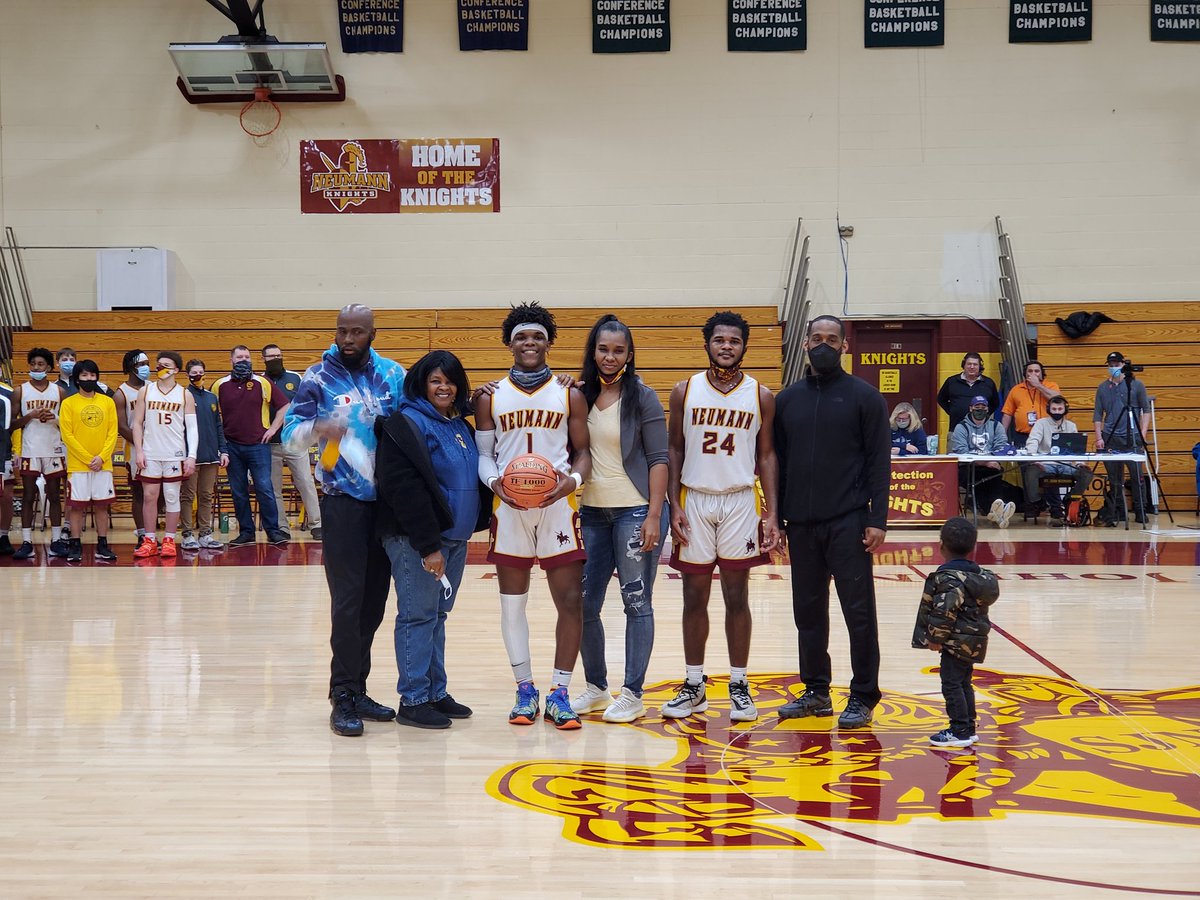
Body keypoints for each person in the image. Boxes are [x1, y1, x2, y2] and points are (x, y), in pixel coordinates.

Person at [282, 304, 406, 737]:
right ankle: (342, 695)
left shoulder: (394, 375)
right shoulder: (316, 377)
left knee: (374, 605)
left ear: (373, 333)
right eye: (342, 332)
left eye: (357, 332)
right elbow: (288, 433)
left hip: (387, 504)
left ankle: (360, 686)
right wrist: (320, 428)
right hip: (342, 502)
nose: (348, 339)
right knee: (347, 603)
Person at [474, 301, 592, 731]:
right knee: (512, 606)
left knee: (570, 601)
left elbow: (583, 454)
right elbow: (484, 456)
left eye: (538, 337)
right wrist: (495, 485)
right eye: (522, 336)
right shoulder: (488, 397)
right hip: (509, 509)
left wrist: (570, 484)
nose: (529, 343)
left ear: (549, 343)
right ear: (509, 343)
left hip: (559, 506)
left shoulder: (569, 392)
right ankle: (525, 688)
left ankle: (560, 693)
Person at [663, 310, 780, 724]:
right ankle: (694, 685)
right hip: (694, 498)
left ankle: (739, 683)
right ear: (707, 343)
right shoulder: (685, 390)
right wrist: (672, 504)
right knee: (694, 597)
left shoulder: (761, 395)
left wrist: (772, 513)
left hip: (739, 502)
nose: (726, 346)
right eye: (719, 340)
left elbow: (766, 455)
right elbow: (673, 449)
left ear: (744, 346)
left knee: (737, 596)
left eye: (733, 340)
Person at [773, 315, 888, 729]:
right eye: (816, 338)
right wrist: (777, 518)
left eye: (832, 339)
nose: (824, 345)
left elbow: (879, 463)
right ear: (804, 344)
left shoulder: (866, 398)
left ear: (844, 346)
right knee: (808, 611)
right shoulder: (787, 400)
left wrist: (877, 519)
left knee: (858, 613)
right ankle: (817, 691)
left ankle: (863, 695)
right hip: (801, 524)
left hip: (849, 522)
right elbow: (778, 463)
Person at [376, 351, 489, 729]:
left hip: (454, 540)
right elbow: (403, 490)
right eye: (436, 380)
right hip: (419, 541)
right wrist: (428, 546)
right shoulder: (404, 424)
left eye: (451, 380)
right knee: (417, 617)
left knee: (437, 617)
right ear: (421, 384)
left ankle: (435, 692)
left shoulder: (458, 426)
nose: (444, 387)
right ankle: (413, 699)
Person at [569, 315, 669, 724]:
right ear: (593, 351)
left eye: (619, 350)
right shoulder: (576, 394)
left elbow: (660, 459)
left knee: (635, 602)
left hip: (634, 510)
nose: (610, 357)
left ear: (629, 354)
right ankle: (596, 687)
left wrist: (653, 516)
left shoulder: (642, 396)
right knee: (582, 604)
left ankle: (633, 693)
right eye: (603, 349)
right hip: (591, 511)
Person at [911, 516, 999, 747]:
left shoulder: (949, 579)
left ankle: (959, 729)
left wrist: (935, 638)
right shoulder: (978, 576)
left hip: (954, 642)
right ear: (973, 547)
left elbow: (944, 611)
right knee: (963, 682)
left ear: (941, 545)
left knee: (951, 683)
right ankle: (968, 726)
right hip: (973, 640)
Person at [212, 345, 290, 547]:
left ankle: (273, 531)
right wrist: (220, 445)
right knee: (238, 491)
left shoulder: (262, 382)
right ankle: (246, 532)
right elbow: (212, 415)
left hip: (259, 445)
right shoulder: (219, 385)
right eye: (239, 357)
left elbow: (285, 405)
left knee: (265, 488)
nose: (244, 360)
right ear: (231, 360)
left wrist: (273, 429)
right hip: (232, 447)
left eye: (247, 356)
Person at [131, 352, 197, 559]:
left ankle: (169, 539)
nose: (160, 368)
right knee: (150, 496)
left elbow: (192, 428)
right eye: (158, 365)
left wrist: (191, 455)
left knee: (171, 496)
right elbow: (137, 424)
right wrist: (139, 451)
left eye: (166, 365)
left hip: (174, 453)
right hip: (150, 453)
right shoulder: (145, 391)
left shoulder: (184, 393)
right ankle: (150, 540)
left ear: (176, 370)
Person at [10, 347, 69, 560]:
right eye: (33, 364)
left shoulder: (59, 392)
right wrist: (30, 416)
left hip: (53, 448)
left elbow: (68, 424)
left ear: (49, 368)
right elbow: (11, 424)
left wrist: (54, 417)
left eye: (41, 364)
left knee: (54, 495)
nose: (36, 367)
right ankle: (26, 541)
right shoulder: (20, 391)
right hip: (30, 449)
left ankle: (56, 540)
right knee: (28, 495)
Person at [58, 360, 119, 563]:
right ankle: (75, 545)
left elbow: (113, 432)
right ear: (77, 378)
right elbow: (67, 435)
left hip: (103, 465)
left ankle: (102, 545)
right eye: (85, 376)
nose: (89, 379)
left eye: (92, 375)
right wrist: (87, 459)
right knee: (77, 507)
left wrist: (101, 457)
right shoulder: (68, 403)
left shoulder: (107, 402)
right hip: (78, 466)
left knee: (102, 506)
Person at [262, 344, 323, 540]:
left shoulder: (295, 377)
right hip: (270, 443)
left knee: (306, 482)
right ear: (263, 359)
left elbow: (307, 403)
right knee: (274, 487)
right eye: (271, 356)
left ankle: (317, 524)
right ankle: (282, 527)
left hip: (295, 441)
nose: (276, 359)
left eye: (279, 355)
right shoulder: (259, 381)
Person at [1093, 351, 1151, 526]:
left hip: (1132, 437)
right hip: (1110, 437)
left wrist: (1143, 432)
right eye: (1110, 365)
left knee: (1136, 475)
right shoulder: (1102, 388)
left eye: (1116, 364)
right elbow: (1097, 415)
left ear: (1123, 365)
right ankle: (1119, 511)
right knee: (1114, 478)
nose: (1113, 368)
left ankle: (1141, 510)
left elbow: (1145, 410)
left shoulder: (1136, 385)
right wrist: (1098, 437)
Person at [179, 359, 229, 551]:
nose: (198, 376)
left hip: (211, 456)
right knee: (188, 496)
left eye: (201, 372)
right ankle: (187, 534)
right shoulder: (183, 396)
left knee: (207, 495)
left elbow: (218, 425)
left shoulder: (211, 398)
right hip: (190, 456)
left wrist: (223, 450)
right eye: (194, 373)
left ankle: (206, 534)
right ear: (187, 375)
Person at [1021, 395, 1091, 526]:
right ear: (1049, 409)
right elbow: (1033, 441)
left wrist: (1080, 463)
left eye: (1060, 409)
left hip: (1067, 465)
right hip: (1046, 464)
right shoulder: (1040, 423)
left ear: (1065, 409)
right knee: (1030, 470)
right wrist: (1034, 458)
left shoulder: (1071, 426)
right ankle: (1037, 502)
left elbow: (1077, 449)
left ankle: (1070, 499)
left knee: (1086, 473)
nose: (1057, 412)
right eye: (1054, 409)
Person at [951, 395, 1017, 528]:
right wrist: (986, 462)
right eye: (977, 407)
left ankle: (996, 513)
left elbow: (1001, 446)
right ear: (971, 408)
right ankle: (996, 511)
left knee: (994, 474)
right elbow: (963, 452)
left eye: (983, 407)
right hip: (968, 467)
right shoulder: (961, 427)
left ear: (987, 409)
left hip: (990, 465)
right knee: (979, 478)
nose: (980, 410)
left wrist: (992, 461)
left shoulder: (996, 426)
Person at [115, 349, 151, 547]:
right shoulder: (121, 394)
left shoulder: (153, 388)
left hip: (157, 447)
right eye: (140, 364)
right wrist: (141, 443)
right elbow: (122, 427)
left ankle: (152, 533)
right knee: (139, 492)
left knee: (156, 493)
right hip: (134, 449)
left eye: (147, 363)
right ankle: (142, 534)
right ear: (130, 367)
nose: (146, 367)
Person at [937, 352, 999, 433]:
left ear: (980, 366)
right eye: (969, 364)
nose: (972, 367)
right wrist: (953, 411)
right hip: (956, 430)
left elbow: (995, 403)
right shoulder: (951, 381)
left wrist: (983, 414)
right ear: (964, 365)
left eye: (975, 364)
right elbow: (941, 399)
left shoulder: (988, 383)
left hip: (981, 431)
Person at [1000, 360, 1060, 443]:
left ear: (1042, 373)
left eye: (1037, 371)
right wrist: (1002, 435)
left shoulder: (1051, 386)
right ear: (1026, 374)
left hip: (1046, 434)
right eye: (1030, 371)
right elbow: (1007, 414)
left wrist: (1038, 385)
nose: (1033, 374)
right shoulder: (1016, 389)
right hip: (1022, 435)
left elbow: (1057, 399)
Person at [0, 376, 13, 556]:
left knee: (6, 495)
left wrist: (16, 450)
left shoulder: (7, 393)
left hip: (4, 452)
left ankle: (3, 536)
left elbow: (12, 428)